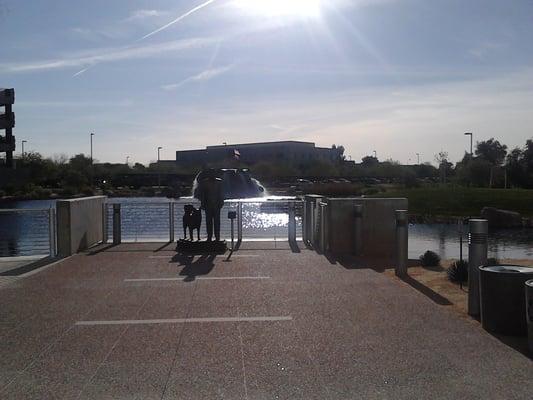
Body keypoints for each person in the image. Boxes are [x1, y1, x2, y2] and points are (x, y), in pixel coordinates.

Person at [197, 169, 224, 241]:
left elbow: (221, 193)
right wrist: (202, 204)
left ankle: (217, 237)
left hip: (217, 205)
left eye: (213, 173)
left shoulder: (219, 182)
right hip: (207, 205)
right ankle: (209, 237)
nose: (212, 174)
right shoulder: (204, 182)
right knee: (208, 222)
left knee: (217, 222)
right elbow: (203, 194)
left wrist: (221, 202)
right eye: (211, 173)